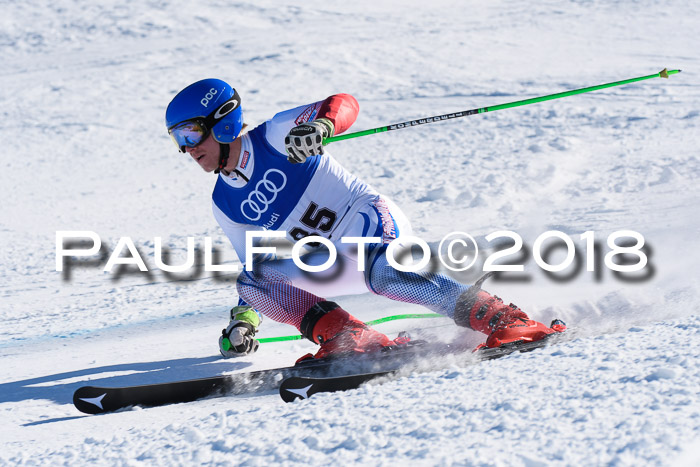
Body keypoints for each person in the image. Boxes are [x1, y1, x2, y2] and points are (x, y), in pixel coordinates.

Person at [164, 79, 565, 361]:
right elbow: (259, 267)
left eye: (190, 135)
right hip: (330, 261)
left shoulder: (275, 135)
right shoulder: (224, 202)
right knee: (253, 280)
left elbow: (343, 102)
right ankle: (349, 336)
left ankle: (508, 320)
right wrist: (246, 318)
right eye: (177, 140)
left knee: (386, 272)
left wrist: (322, 125)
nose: (187, 151)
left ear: (223, 121)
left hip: (367, 222)